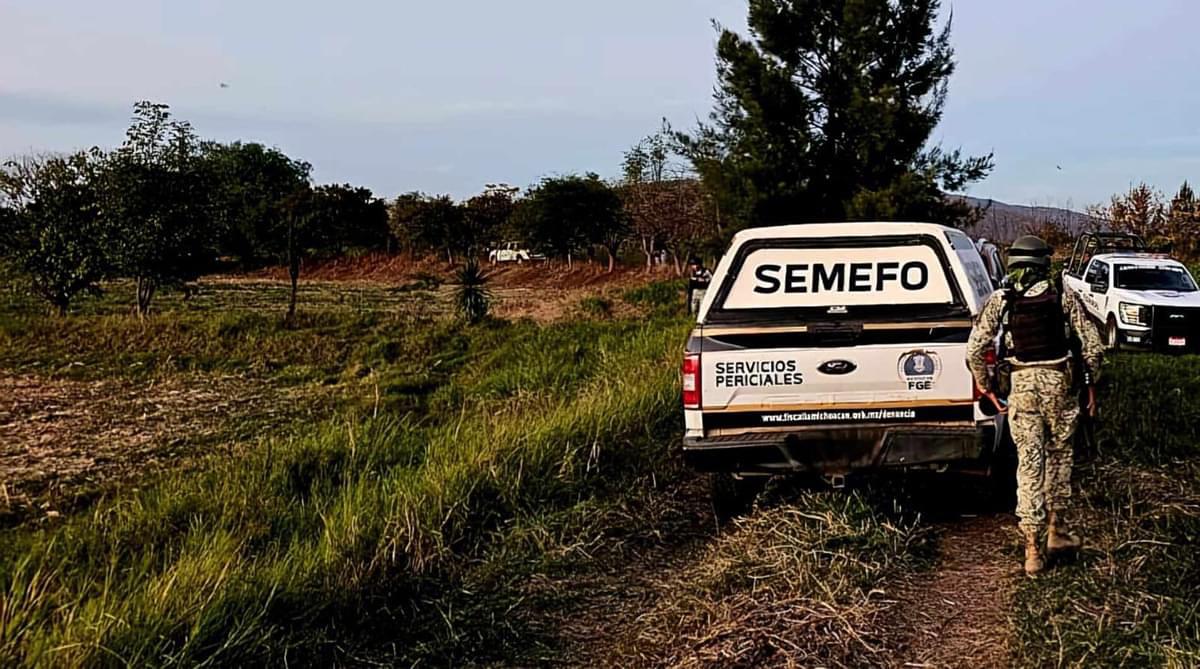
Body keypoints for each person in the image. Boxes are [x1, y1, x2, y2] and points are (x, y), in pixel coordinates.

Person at [966, 235, 1103, 576]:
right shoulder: (1062, 295)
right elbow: (1093, 347)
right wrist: (1089, 385)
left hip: (1022, 388)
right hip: (1059, 386)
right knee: (1059, 456)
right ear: (1044, 262)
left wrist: (986, 388)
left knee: (1029, 463)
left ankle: (1032, 551)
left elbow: (974, 350)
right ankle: (1057, 531)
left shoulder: (1002, 300)